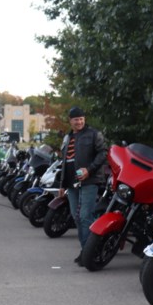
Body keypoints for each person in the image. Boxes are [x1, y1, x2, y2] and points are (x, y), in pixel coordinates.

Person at [58, 106, 107, 264]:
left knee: (85, 216)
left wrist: (89, 170)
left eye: (81, 119)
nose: (79, 122)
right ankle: (86, 250)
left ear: (84, 119)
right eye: (75, 119)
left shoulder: (93, 134)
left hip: (89, 180)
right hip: (71, 183)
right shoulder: (68, 137)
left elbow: (103, 153)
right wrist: (61, 185)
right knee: (76, 217)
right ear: (70, 120)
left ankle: (88, 253)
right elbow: (65, 162)